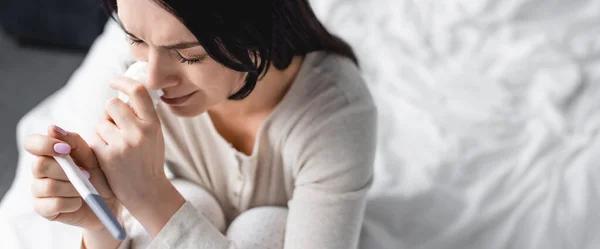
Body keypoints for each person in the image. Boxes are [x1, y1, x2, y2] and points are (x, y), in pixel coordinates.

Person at [22, 0, 377, 248]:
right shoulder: (129, 79)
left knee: (267, 225)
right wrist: (100, 222)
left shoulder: (335, 114)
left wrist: (149, 195)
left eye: (189, 55)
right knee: (193, 201)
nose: (155, 79)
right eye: (135, 39)